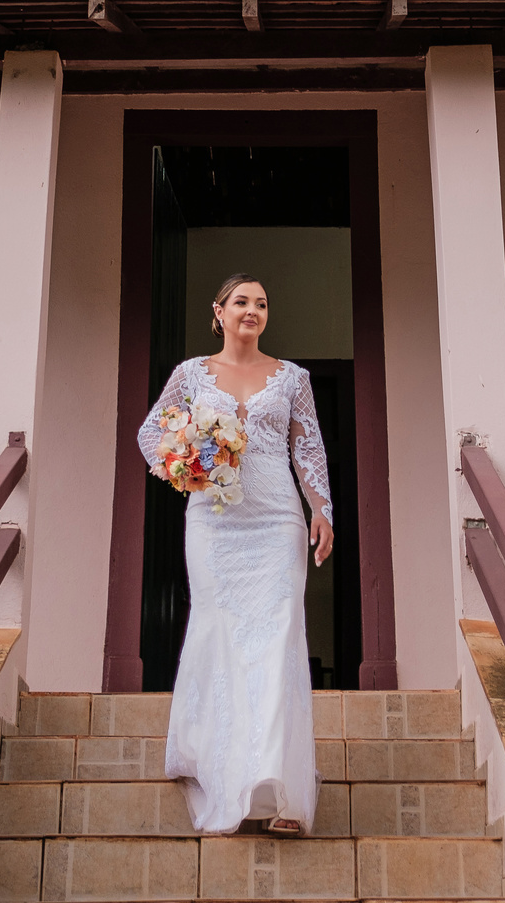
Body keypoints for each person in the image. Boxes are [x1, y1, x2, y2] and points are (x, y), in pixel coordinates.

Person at [137, 272, 334, 836]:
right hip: (215, 521)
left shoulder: (292, 378)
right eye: (242, 302)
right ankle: (219, 765)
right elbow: (153, 434)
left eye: (262, 303)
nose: (253, 310)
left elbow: (309, 449)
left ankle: (277, 787)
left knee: (277, 636)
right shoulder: (191, 375)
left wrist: (323, 511)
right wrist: (184, 466)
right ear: (218, 312)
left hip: (276, 518)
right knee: (219, 629)